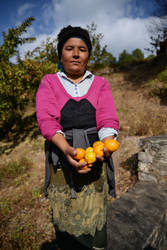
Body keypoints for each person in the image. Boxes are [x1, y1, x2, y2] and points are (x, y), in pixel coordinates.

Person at [36, 25, 119, 250]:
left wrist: (106, 145)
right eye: (69, 48)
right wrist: (67, 150)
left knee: (96, 217)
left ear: (88, 55)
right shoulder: (49, 83)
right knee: (68, 223)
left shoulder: (101, 84)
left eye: (82, 49)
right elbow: (47, 121)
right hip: (62, 159)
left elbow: (108, 119)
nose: (75, 54)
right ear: (60, 54)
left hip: (96, 156)